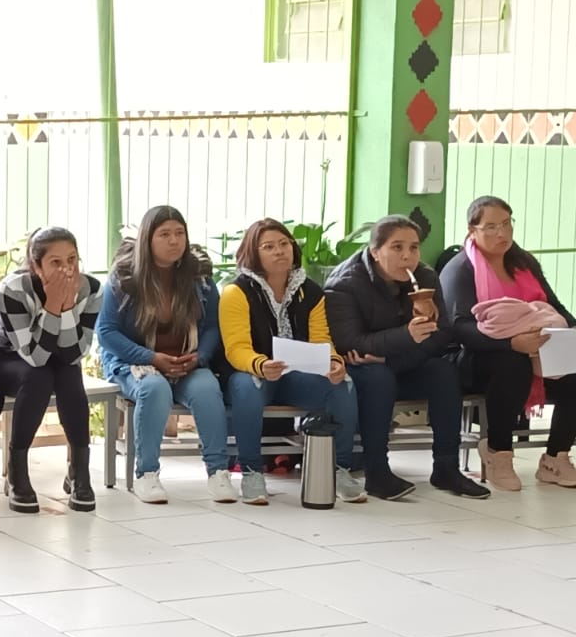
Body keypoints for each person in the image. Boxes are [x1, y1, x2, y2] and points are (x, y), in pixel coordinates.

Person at [325, 214, 489, 501]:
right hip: (360, 370)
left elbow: (442, 335)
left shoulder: (425, 277)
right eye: (397, 247)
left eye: (414, 248)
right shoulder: (345, 284)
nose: (407, 256)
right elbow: (350, 343)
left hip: (399, 363)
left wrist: (392, 358)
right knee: (378, 377)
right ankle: (377, 471)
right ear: (375, 252)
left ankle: (446, 467)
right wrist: (406, 336)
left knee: (443, 372)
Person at [217, 219, 365, 506]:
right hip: (255, 371)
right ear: (253, 253)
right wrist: (260, 364)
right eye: (268, 247)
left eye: (284, 244)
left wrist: (334, 362)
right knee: (247, 386)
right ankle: (251, 472)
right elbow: (236, 348)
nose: (279, 251)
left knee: (343, 383)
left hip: (298, 375)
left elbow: (321, 338)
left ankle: (340, 470)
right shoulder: (237, 292)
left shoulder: (310, 291)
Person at [97, 205, 234, 504]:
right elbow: (106, 331)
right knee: (154, 388)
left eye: (179, 233)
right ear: (148, 239)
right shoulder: (124, 276)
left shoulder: (199, 276)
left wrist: (199, 357)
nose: (174, 241)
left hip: (186, 361)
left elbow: (213, 326)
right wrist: (151, 357)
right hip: (135, 362)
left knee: (208, 388)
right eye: (165, 234)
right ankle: (147, 474)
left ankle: (218, 472)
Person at [439, 195, 576, 491]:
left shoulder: (523, 262)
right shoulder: (460, 269)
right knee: (512, 364)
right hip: (472, 358)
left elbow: (555, 306)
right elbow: (459, 329)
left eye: (506, 224)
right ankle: (498, 452)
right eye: (491, 227)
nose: (501, 233)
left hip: (533, 351)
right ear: (472, 230)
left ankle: (556, 457)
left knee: (573, 369)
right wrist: (512, 343)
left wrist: (571, 333)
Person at [0, 226, 103, 513]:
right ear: (36, 266)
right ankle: (17, 471)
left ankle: (79, 472)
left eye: (72, 260)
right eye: (55, 263)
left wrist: (68, 307)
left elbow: (74, 354)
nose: (67, 270)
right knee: (38, 376)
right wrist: (53, 305)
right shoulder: (12, 289)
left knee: (69, 373)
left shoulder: (92, 289)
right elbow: (34, 356)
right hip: (6, 357)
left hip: (58, 356)